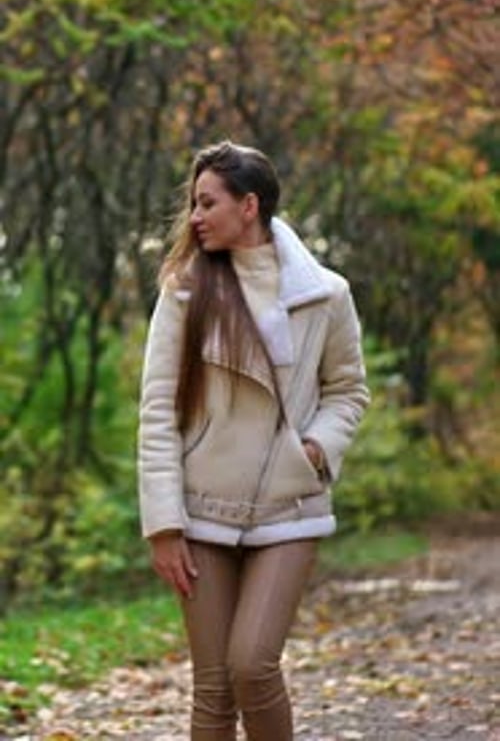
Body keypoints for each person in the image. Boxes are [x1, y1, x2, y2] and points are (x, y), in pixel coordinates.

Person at [137, 140, 369, 741]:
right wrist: (163, 524)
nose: (194, 217)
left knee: (253, 666)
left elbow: (348, 390)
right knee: (213, 685)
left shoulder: (327, 295)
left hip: (289, 505)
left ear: (249, 205)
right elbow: (157, 410)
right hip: (202, 509)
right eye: (192, 203)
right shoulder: (184, 292)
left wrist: (315, 448)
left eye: (206, 203)